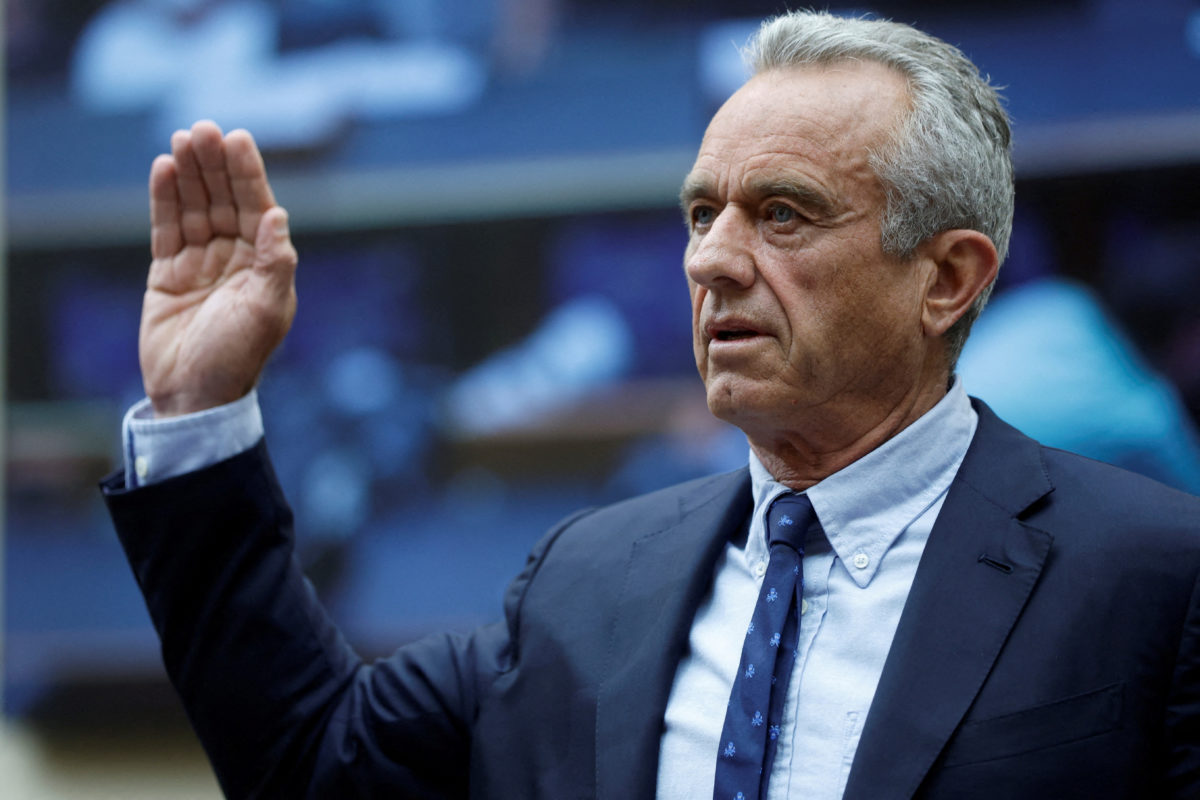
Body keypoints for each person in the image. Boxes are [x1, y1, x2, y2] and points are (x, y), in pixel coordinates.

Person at [101, 10, 1200, 800]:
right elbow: (309, 762)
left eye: (781, 213)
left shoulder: (1154, 573)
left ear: (947, 277)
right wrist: (201, 413)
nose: (711, 261)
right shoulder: (588, 578)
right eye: (700, 212)